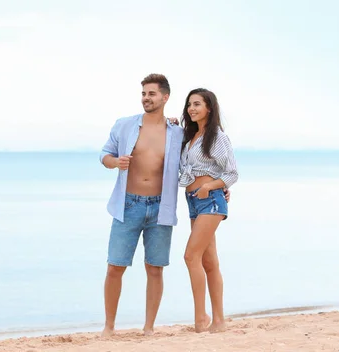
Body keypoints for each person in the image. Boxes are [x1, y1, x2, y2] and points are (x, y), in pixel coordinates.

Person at [99, 73, 183, 337]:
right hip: (128, 204)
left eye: (152, 94)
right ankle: (109, 327)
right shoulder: (124, 125)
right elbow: (104, 154)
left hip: (161, 207)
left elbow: (200, 160)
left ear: (165, 97)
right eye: (144, 93)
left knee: (155, 268)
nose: (146, 98)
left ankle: (149, 328)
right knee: (115, 266)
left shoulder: (178, 133)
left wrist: (220, 187)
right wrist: (115, 163)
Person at [179, 88, 238, 333]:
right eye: (189, 105)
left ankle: (201, 318)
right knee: (209, 261)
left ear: (209, 108)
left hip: (210, 200)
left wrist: (210, 186)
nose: (192, 109)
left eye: (197, 104)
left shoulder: (217, 138)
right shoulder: (190, 136)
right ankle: (219, 321)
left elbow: (231, 173)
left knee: (190, 256)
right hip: (193, 201)